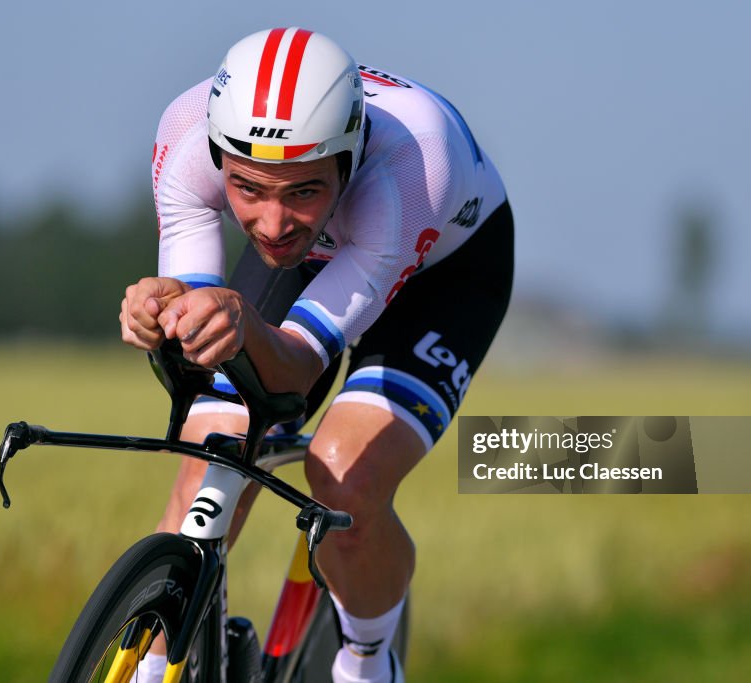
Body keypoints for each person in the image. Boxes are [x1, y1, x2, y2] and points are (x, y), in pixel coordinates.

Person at [120, 27, 513, 683]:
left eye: (302, 189)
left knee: (344, 480)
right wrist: (163, 309)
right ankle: (152, 664)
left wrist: (238, 322)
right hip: (320, 256)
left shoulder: (411, 170)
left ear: (348, 160)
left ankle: (367, 657)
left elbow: (295, 368)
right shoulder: (188, 136)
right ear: (219, 156)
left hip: (445, 274)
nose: (272, 224)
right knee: (214, 444)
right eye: (247, 189)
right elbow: (199, 318)